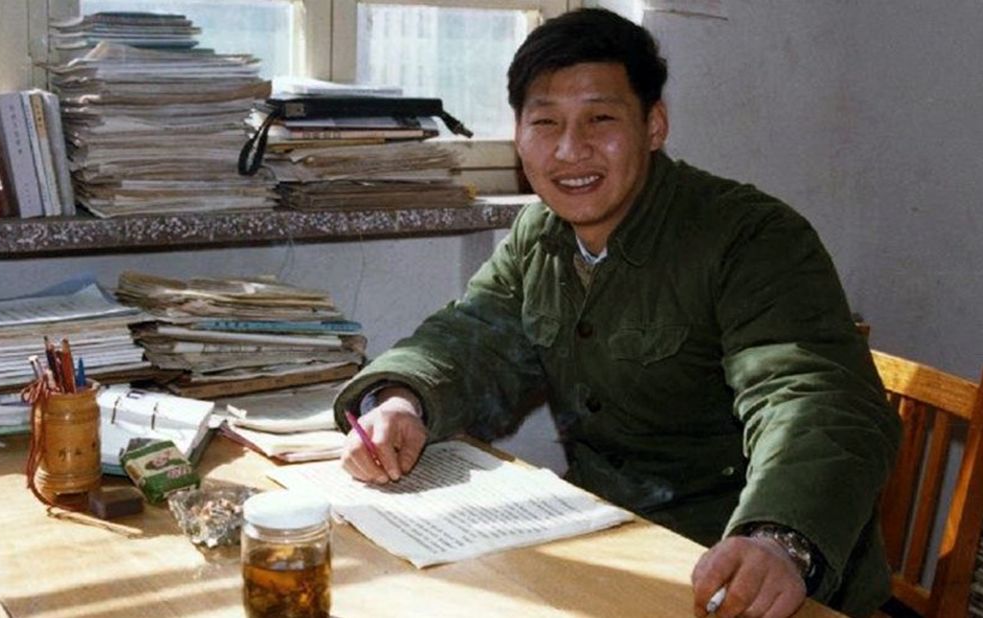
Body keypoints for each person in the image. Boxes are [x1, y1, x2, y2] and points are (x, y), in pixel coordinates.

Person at [334, 8, 901, 618]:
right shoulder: (539, 233)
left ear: (654, 125)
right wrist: (400, 401)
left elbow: (809, 397)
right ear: (520, 134)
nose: (571, 150)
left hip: (745, 573)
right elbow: (474, 334)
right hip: (611, 544)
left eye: (600, 119)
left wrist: (778, 538)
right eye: (545, 122)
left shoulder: (751, 237)